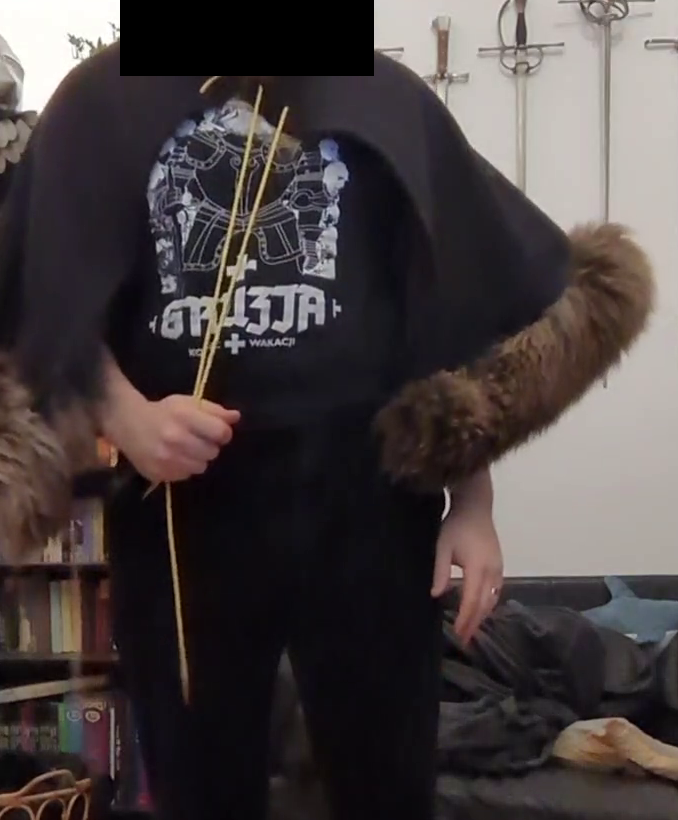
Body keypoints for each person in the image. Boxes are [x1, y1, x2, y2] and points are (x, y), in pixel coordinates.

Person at [0, 53, 653, 820]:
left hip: (369, 507)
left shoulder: (382, 95)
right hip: (179, 514)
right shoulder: (103, 98)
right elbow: (38, 286)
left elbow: (452, 307)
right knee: (199, 789)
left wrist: (473, 504)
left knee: (385, 785)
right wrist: (125, 416)